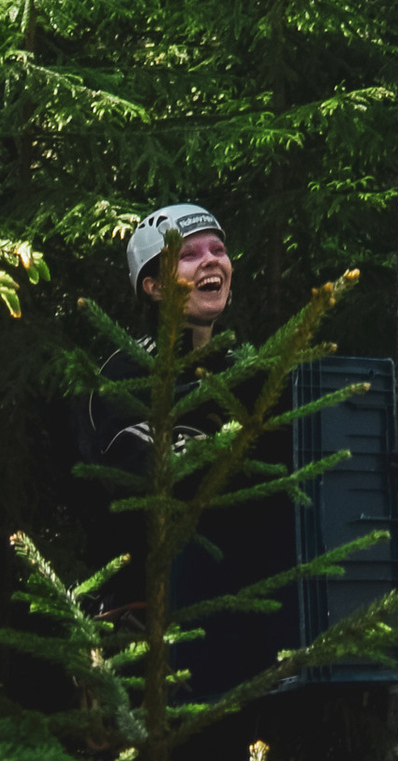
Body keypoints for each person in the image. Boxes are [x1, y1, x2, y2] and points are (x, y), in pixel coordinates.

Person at [77, 203, 285, 707]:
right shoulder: (122, 375)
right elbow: (140, 490)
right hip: (141, 629)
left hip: (237, 627)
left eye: (218, 249)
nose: (211, 260)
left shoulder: (246, 374)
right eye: (188, 255)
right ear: (153, 287)